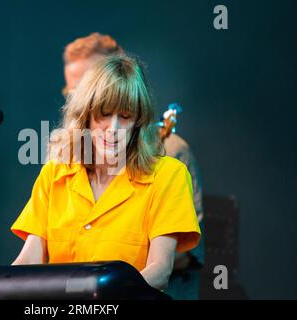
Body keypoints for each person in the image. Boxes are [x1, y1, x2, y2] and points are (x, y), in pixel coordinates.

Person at [11, 54, 201, 291]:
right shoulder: (54, 174)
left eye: (125, 116)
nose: (113, 129)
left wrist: (102, 299)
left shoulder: (168, 175)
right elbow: (28, 261)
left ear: (138, 122)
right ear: (86, 115)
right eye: (104, 113)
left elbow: (160, 270)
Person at [61, 32, 205, 299]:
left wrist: (104, 282)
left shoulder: (170, 153)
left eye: (89, 84)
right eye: (73, 90)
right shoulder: (65, 165)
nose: (79, 96)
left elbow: (184, 255)